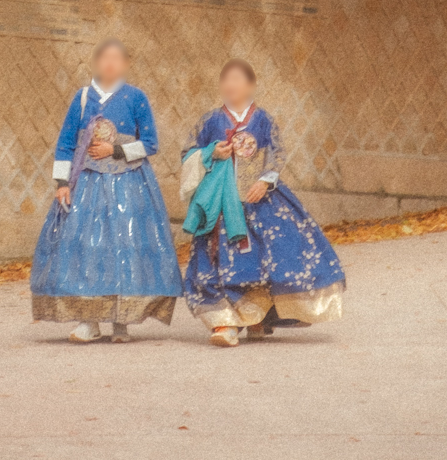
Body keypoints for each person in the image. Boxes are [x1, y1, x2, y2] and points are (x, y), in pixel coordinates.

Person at [179, 59, 345, 346]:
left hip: (260, 199)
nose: (230, 85)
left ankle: (258, 317)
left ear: (251, 85)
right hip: (221, 202)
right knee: (220, 260)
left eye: (237, 80)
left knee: (269, 257)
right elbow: (187, 153)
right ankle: (225, 324)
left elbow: (277, 154)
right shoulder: (210, 121)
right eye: (225, 80)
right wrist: (210, 153)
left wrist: (265, 180)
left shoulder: (264, 120)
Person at [30, 38, 182, 341]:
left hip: (129, 183)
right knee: (87, 247)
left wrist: (115, 150)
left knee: (125, 246)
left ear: (126, 64)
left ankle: (121, 320)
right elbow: (66, 142)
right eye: (104, 59)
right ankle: (90, 320)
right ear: (96, 63)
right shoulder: (83, 97)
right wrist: (61, 183)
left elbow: (151, 143)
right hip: (87, 182)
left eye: (117, 59)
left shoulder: (136, 97)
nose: (110, 64)